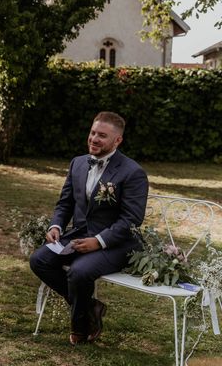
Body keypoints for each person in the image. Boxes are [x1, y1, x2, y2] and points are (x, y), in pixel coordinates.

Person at [29, 111, 148, 345]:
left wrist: (99, 241)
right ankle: (90, 307)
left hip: (117, 244)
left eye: (102, 136)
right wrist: (56, 225)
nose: (94, 139)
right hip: (80, 234)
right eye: (93, 133)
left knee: (79, 272)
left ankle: (80, 327)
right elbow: (65, 203)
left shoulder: (132, 172)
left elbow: (131, 220)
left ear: (117, 141)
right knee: (39, 260)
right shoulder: (78, 163)